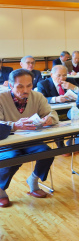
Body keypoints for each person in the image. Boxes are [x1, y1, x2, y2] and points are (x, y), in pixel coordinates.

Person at [0, 69, 59, 207]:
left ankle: (33, 180)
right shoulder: (2, 99)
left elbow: (51, 112)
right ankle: (1, 189)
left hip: (29, 138)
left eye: (29, 85)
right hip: (7, 140)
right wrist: (15, 125)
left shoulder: (37, 96)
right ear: (10, 85)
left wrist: (50, 118)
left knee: (47, 153)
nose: (25, 90)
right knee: (12, 157)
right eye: (20, 86)